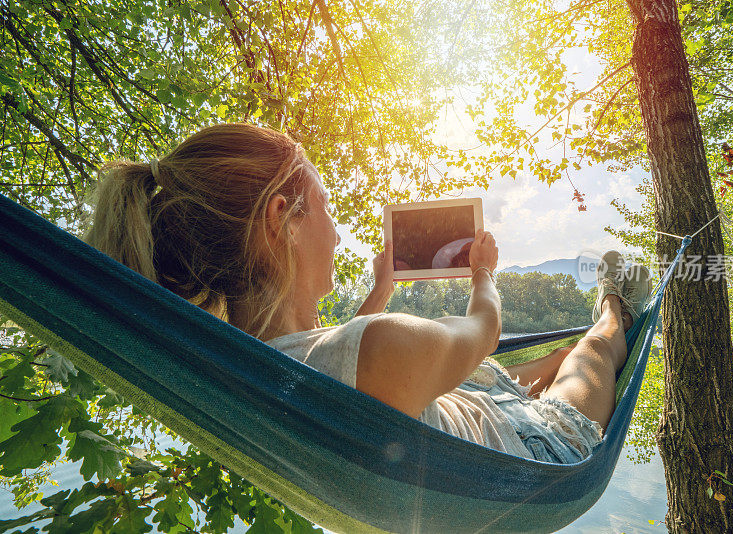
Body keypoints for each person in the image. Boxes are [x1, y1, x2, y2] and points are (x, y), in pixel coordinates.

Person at [84, 123, 651, 464]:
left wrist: (379, 290)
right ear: (280, 220)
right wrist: (483, 273)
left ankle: (570, 347)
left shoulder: (242, 365)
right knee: (593, 354)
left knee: (543, 364)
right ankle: (612, 308)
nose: (335, 232)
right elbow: (485, 332)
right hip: (531, 448)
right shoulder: (380, 348)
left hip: (465, 406)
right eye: (326, 210)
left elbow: (326, 354)